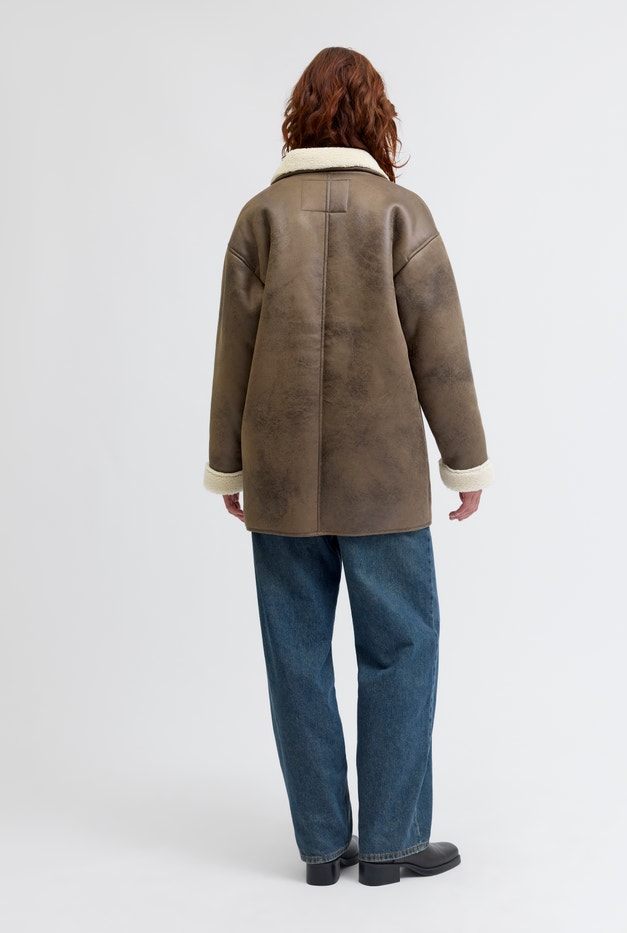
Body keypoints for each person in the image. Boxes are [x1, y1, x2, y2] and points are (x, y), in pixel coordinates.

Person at [203, 47, 494, 886]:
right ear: (376, 119)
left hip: (282, 478)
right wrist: (465, 461)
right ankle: (392, 844)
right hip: (385, 482)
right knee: (400, 648)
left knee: (295, 657)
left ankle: (324, 846)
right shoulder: (401, 213)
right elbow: (443, 351)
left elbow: (233, 353)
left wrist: (230, 466)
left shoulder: (260, 218)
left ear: (300, 115)